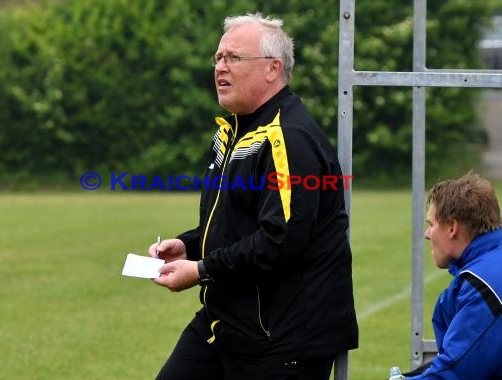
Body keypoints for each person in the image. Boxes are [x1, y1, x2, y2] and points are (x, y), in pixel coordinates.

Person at [148, 12, 358, 380]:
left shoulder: (288, 138)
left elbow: (279, 241)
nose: (220, 68)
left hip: (282, 339)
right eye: (218, 57)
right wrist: (189, 246)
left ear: (272, 69)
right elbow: (237, 224)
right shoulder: (231, 133)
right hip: (226, 322)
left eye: (233, 58)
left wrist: (201, 270)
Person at [403, 173, 502, 379]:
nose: (427, 234)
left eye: (431, 224)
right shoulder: (492, 263)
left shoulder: (485, 283)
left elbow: (456, 372)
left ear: (452, 228)